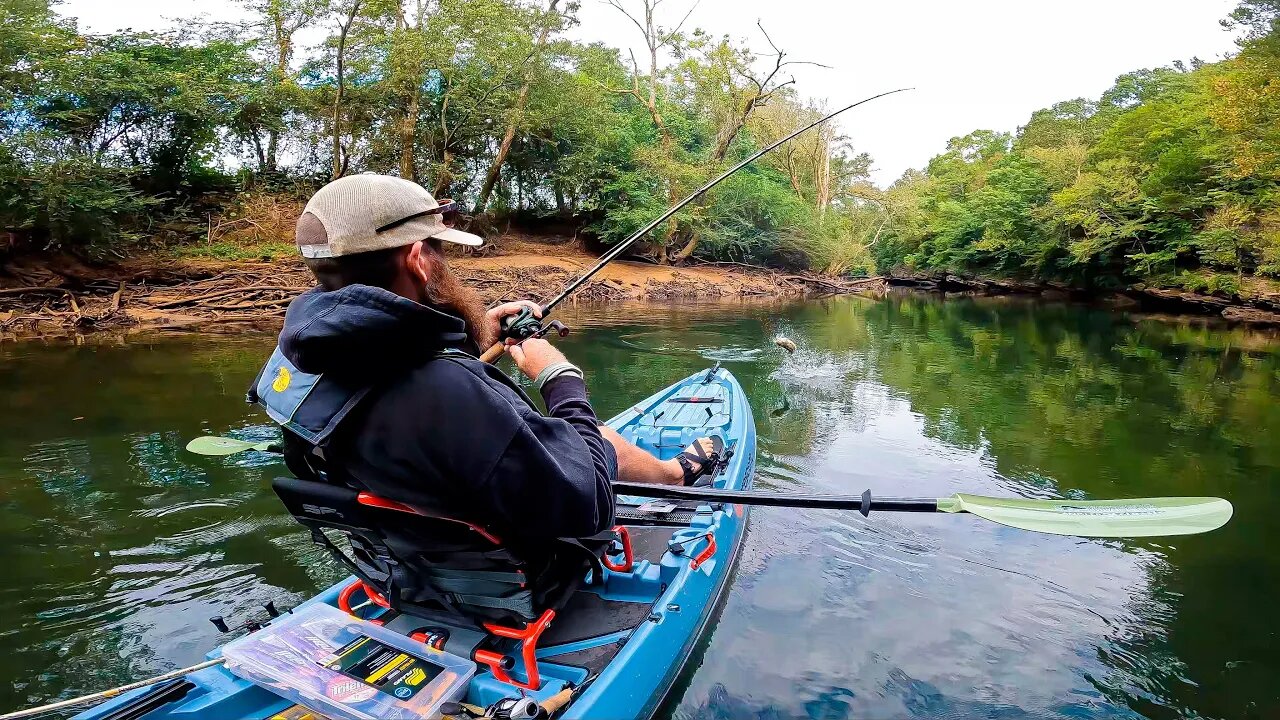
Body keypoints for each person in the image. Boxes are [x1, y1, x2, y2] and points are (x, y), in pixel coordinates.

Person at [260, 174, 720, 543]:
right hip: (516, 563)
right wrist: (559, 377)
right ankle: (676, 475)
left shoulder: (293, 362)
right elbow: (589, 504)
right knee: (593, 437)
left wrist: (480, 335)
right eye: (441, 252)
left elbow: (400, 386)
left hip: (402, 552)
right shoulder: (450, 392)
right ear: (418, 259)